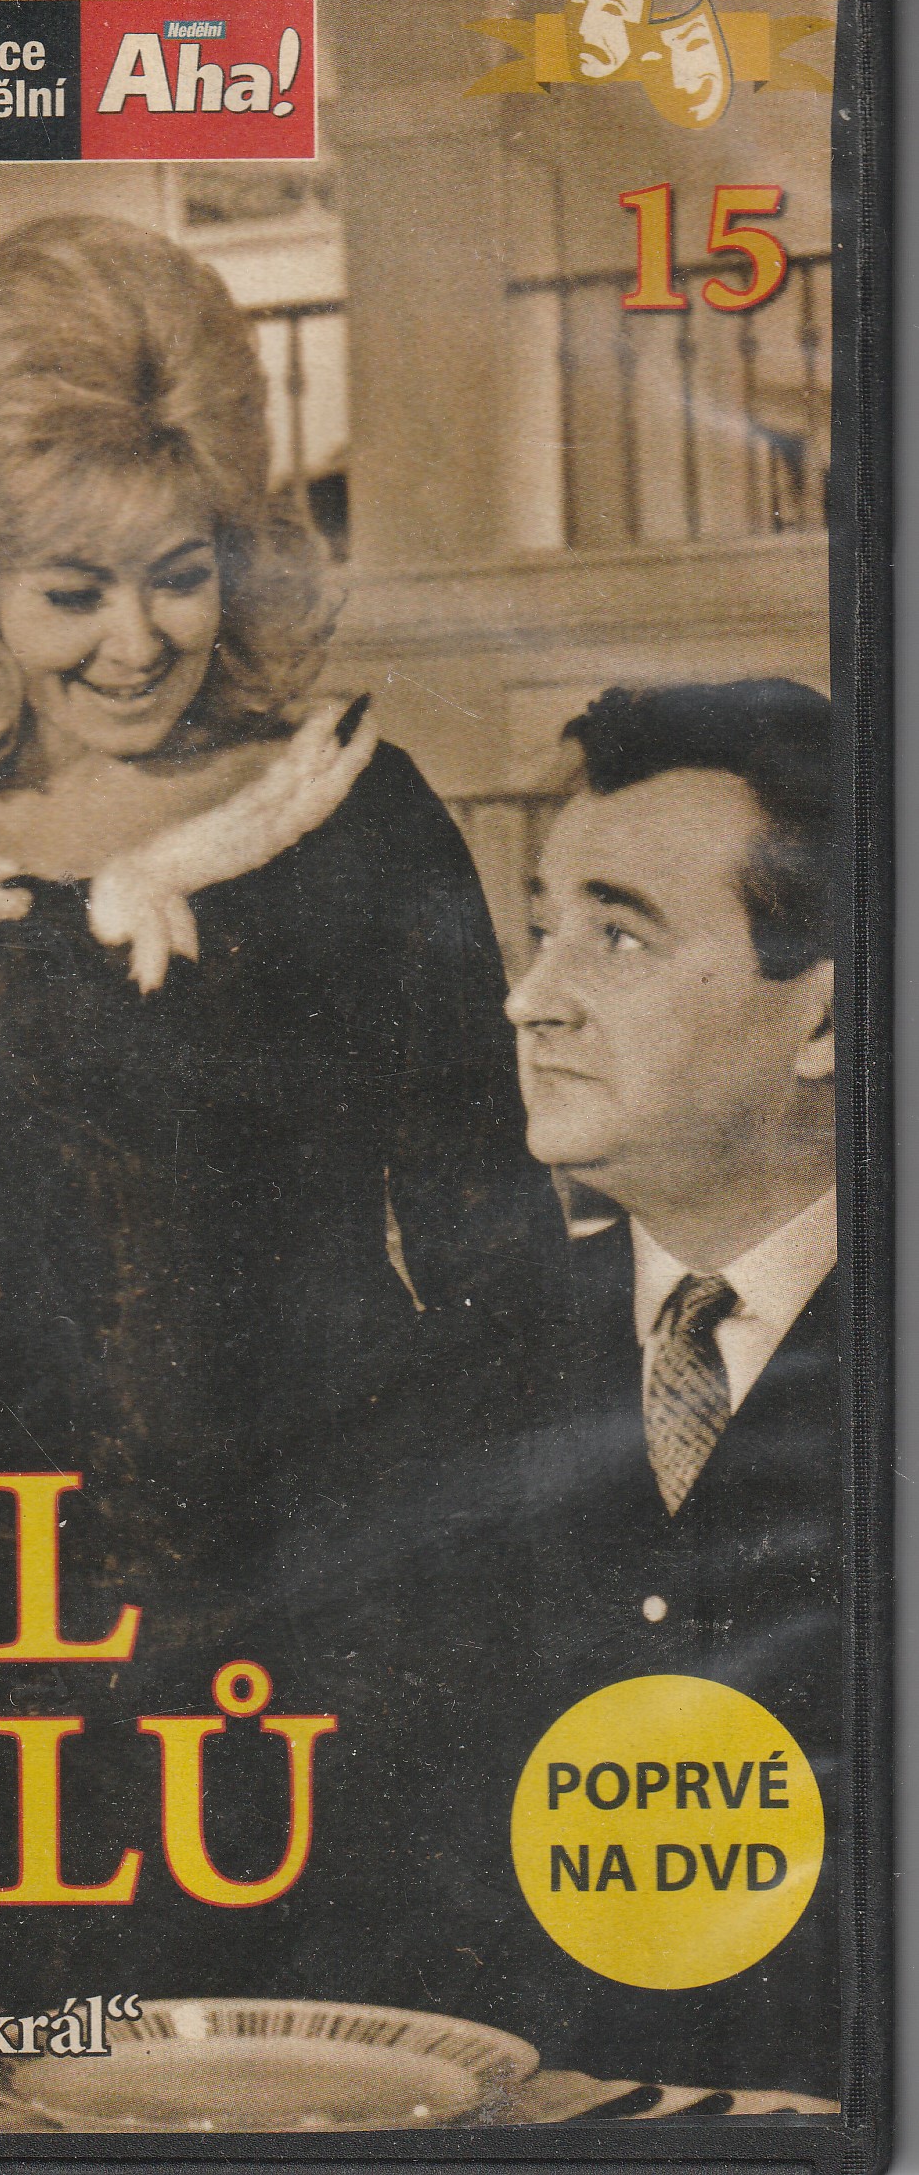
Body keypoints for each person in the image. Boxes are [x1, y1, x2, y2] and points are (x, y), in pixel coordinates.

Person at [0, 214, 561, 2009]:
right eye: (74, 592)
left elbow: (493, 1243)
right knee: (72, 2060)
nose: (137, 642)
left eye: (181, 573)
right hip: (41, 1613)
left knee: (380, 2050)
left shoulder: (357, 817)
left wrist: (512, 1570)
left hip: (365, 1574)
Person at [346, 681, 838, 2098]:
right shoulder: (436, 1384)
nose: (529, 997)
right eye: (541, 925)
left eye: (617, 936)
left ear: (828, 1017)